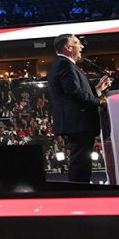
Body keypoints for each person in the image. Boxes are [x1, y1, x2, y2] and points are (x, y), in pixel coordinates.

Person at [46, 34, 112, 183]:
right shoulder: (65, 65)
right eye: (77, 43)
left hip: (77, 122)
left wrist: (98, 90)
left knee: (82, 161)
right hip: (78, 122)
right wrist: (100, 101)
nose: (81, 46)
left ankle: (80, 190)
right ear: (68, 48)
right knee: (80, 162)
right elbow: (74, 93)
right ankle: (79, 191)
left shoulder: (64, 64)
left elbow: (76, 92)